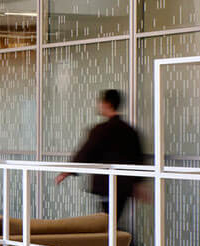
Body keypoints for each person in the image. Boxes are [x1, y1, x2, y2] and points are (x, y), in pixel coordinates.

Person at [55, 89, 145, 226]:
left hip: (107, 185)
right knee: (112, 222)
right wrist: (137, 183)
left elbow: (86, 152)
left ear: (107, 104)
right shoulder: (129, 130)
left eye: (100, 102)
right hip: (125, 186)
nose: (99, 105)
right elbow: (138, 158)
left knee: (109, 224)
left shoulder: (101, 130)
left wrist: (67, 171)